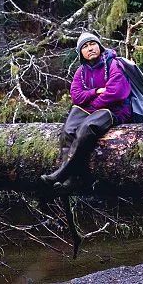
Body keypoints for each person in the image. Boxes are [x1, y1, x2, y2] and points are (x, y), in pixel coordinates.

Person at [41, 32, 131, 190]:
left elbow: (115, 92)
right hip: (93, 109)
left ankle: (62, 172)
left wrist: (92, 104)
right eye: (85, 46)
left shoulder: (113, 64)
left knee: (85, 129)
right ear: (81, 52)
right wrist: (95, 92)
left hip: (116, 111)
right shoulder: (80, 72)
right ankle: (74, 179)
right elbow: (76, 96)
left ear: (99, 46)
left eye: (93, 44)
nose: (90, 48)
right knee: (68, 131)